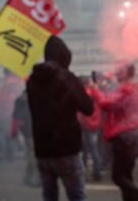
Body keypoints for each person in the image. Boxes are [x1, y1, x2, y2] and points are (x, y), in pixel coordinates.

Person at [27, 36, 94, 201]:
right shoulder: (67, 77)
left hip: (42, 148)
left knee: (49, 196)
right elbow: (88, 108)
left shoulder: (32, 80)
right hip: (66, 147)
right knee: (76, 196)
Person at [94, 63, 138, 201]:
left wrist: (95, 90)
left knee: (118, 176)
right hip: (135, 136)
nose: (115, 73)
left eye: (119, 70)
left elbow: (106, 103)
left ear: (127, 73)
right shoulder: (137, 90)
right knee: (126, 175)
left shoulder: (127, 89)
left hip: (125, 137)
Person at [10, 90, 41, 187]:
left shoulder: (21, 100)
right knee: (33, 155)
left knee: (33, 155)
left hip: (30, 131)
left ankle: (30, 176)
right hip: (31, 131)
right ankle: (33, 177)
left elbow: (16, 117)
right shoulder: (24, 100)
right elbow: (17, 117)